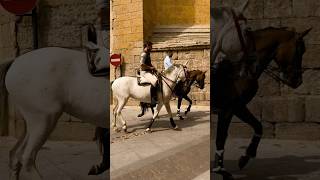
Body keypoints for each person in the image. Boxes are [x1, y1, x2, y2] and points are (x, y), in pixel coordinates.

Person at [139, 41, 158, 106]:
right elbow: (142, 65)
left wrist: (153, 67)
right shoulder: (144, 54)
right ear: (147, 46)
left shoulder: (148, 53)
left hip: (148, 71)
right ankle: (153, 99)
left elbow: (148, 63)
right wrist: (150, 68)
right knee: (155, 81)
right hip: (144, 72)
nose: (151, 48)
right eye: (150, 46)